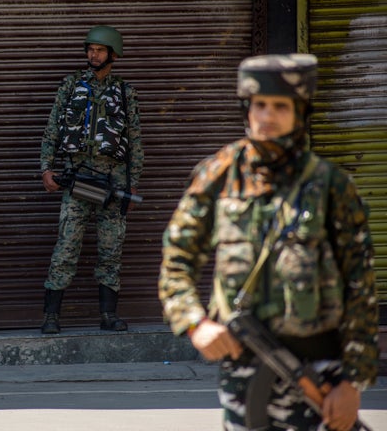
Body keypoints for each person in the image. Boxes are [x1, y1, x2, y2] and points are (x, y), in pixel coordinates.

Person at [158, 54, 379, 431]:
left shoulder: (332, 186)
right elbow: (176, 262)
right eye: (259, 104)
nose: (267, 115)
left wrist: (353, 383)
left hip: (321, 368)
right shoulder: (218, 175)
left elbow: (361, 288)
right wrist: (195, 323)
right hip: (242, 367)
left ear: (301, 112)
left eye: (280, 106)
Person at [39, 26, 144, 334]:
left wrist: (132, 182)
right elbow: (51, 131)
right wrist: (47, 169)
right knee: (66, 246)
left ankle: (108, 315)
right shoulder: (70, 86)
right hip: (77, 179)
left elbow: (134, 140)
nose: (92, 55)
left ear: (113, 54)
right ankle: (51, 316)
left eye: (99, 50)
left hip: (112, 182)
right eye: (90, 49)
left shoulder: (125, 92)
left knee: (111, 250)